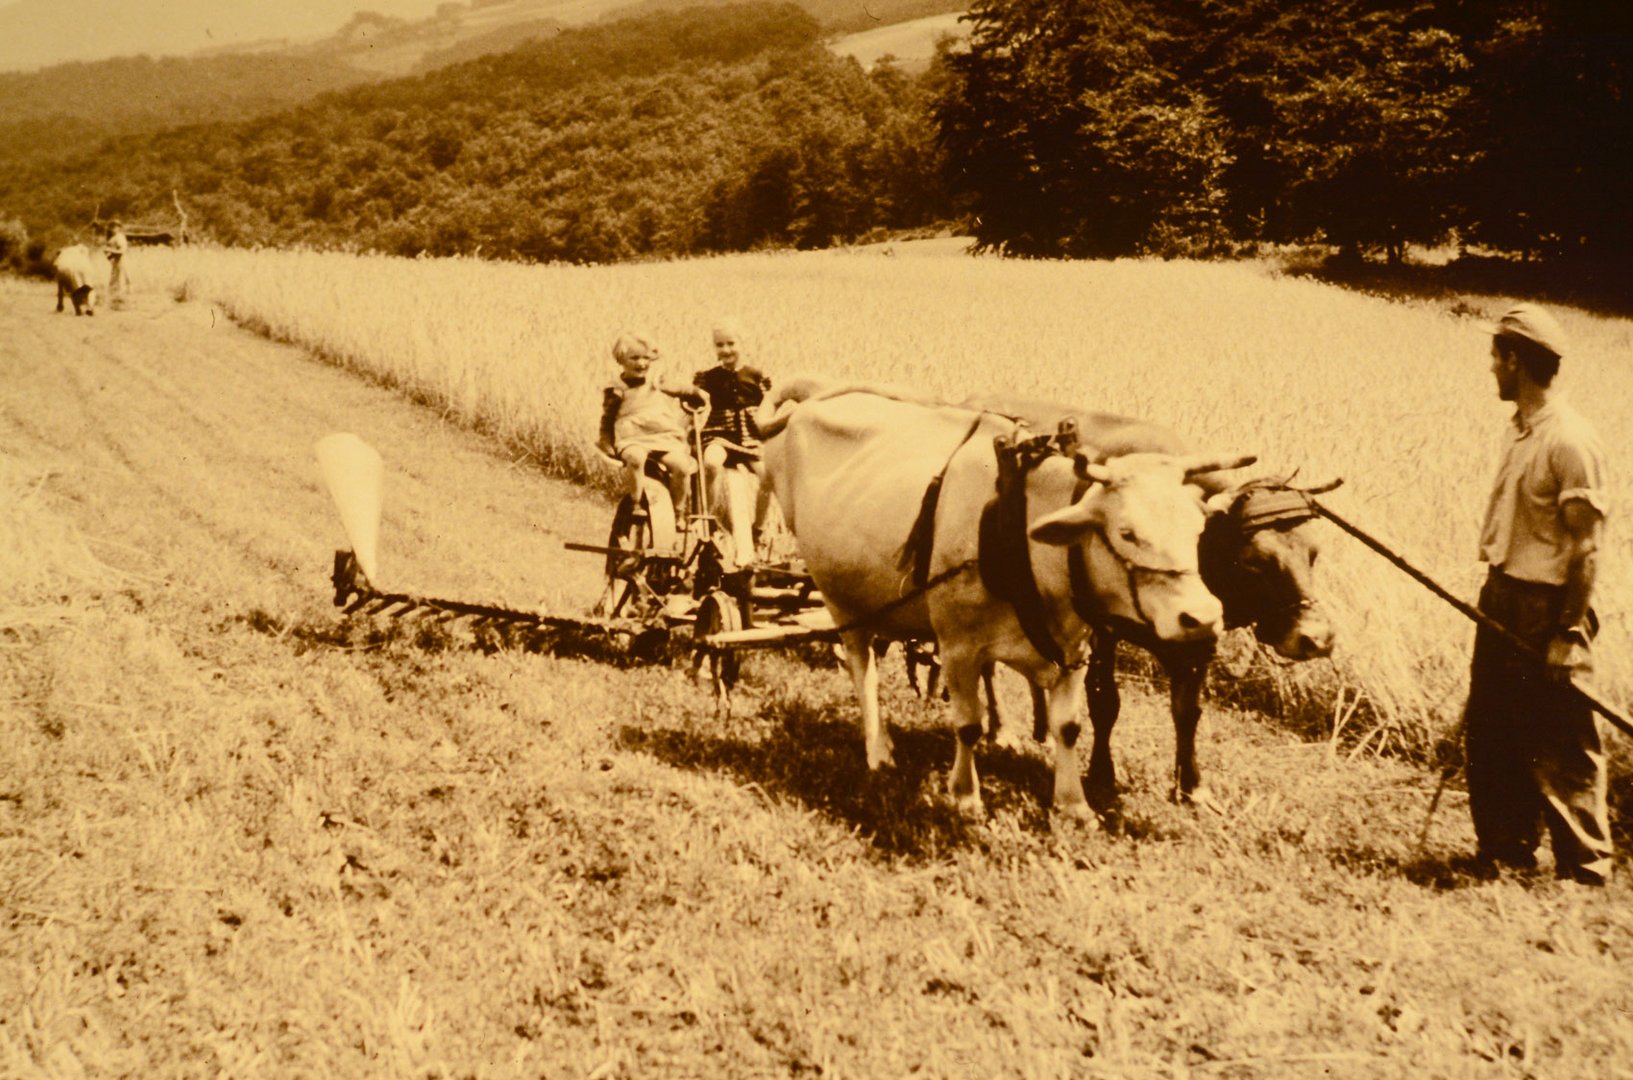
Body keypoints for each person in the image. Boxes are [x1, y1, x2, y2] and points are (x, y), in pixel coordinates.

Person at [1464, 302, 1612, 887]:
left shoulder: (1570, 441)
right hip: (1501, 595)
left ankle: (1585, 866)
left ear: (1516, 361)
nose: (1491, 368)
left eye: (1496, 357)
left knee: (1563, 740)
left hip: (1546, 608)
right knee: (1493, 728)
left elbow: (1587, 549)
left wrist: (1568, 633)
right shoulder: (1519, 431)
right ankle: (1505, 851)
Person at [597, 332, 706, 544]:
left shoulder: (656, 380)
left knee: (681, 466)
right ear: (621, 360)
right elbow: (607, 418)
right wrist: (606, 441)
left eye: (646, 358)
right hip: (633, 436)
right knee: (636, 458)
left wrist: (696, 393)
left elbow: (678, 388)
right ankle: (636, 504)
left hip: (661, 433)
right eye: (635, 358)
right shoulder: (617, 389)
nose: (641, 363)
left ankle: (678, 511)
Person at [693, 322, 773, 550]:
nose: (726, 350)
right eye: (720, 345)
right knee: (710, 464)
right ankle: (707, 518)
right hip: (719, 434)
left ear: (742, 344)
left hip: (749, 437)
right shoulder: (708, 377)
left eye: (731, 343)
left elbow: (769, 404)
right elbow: (695, 402)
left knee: (767, 477)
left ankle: (758, 528)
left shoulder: (756, 375)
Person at [103, 220, 129, 302]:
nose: (113, 229)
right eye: (111, 227)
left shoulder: (120, 237)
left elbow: (122, 251)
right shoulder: (113, 238)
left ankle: (121, 299)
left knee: (120, 279)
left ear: (119, 228)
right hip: (115, 262)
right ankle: (114, 298)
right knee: (114, 280)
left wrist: (110, 250)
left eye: (115, 227)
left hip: (121, 261)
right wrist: (108, 254)